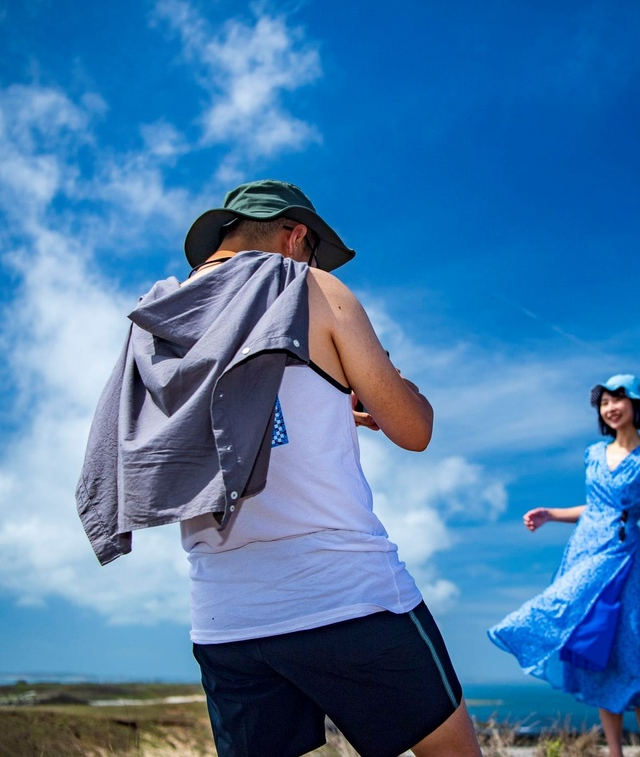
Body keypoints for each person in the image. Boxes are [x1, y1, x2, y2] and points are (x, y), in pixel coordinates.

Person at [77, 180, 481, 757]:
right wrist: (389, 387)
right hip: (347, 595)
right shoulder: (312, 287)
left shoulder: (157, 318)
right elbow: (415, 430)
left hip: (226, 620)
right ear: (296, 237)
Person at [487, 374, 640, 757]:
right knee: (596, 649)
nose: (610, 408)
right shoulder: (593, 454)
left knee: (631, 648)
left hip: (624, 558)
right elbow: (594, 509)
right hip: (584, 551)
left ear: (636, 404)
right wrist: (550, 514)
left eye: (617, 400)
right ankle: (614, 751)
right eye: (604, 402)